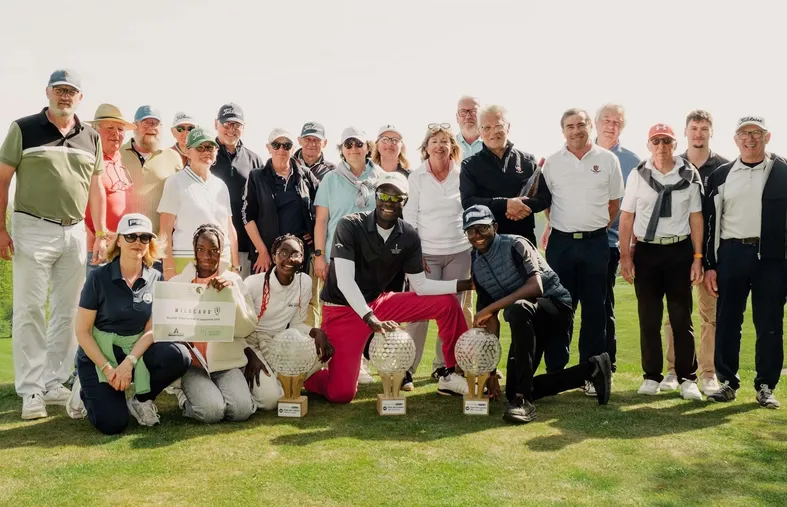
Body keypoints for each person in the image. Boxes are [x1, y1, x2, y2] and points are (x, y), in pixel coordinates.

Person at [306, 172, 473, 403]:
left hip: (379, 303)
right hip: (343, 310)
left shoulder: (409, 235)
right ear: (376, 195)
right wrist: (370, 318)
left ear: (405, 202)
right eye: (384, 195)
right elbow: (345, 282)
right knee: (341, 394)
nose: (389, 202)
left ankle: (452, 373)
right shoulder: (350, 225)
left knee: (447, 303)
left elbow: (421, 286)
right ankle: (305, 375)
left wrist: (467, 283)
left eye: (397, 198)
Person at [0, 69, 109, 420]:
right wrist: (1, 230)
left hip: (74, 231)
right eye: (60, 90)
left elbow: (96, 189)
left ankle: (53, 381)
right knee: (30, 308)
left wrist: (102, 231)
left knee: (68, 311)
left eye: (72, 91)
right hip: (31, 226)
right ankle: (31, 390)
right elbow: (2, 180)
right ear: (48, 91)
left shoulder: (89, 136)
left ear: (80, 97)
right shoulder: (23, 128)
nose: (65, 96)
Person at [464, 205, 612, 423]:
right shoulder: (477, 264)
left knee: (518, 308)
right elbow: (490, 321)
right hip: (525, 320)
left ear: (494, 227)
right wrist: (490, 371)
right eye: (470, 231)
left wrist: (492, 307)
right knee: (513, 388)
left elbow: (536, 287)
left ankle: (523, 403)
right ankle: (592, 369)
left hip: (555, 307)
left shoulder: (515, 244)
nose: (477, 236)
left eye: (482, 228)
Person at [526, 108, 624, 395]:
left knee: (595, 310)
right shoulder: (553, 163)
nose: (576, 130)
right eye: (570, 126)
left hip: (596, 243)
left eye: (581, 124)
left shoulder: (608, 160)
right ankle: (557, 372)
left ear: (590, 126)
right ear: (563, 131)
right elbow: (547, 201)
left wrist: (594, 227)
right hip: (562, 243)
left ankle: (591, 373)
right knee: (559, 308)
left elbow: (614, 202)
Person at [72, 213, 190, 433]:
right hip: (99, 354)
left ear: (150, 243)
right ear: (118, 240)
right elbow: (82, 332)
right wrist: (108, 370)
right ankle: (85, 389)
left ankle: (141, 399)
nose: (138, 242)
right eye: (131, 236)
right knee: (112, 424)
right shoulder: (98, 278)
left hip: (135, 352)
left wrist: (129, 363)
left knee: (177, 355)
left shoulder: (157, 278)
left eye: (144, 237)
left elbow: (151, 329)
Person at [704, 116, 787, 409]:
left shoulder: (782, 170)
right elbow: (710, 223)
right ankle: (727, 382)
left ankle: (766, 386)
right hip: (732, 254)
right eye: (744, 134)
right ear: (735, 139)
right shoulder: (721, 175)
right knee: (728, 321)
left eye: (756, 133)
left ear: (767, 136)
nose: (750, 139)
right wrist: (709, 265)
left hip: (772, 259)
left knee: (769, 323)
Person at [618, 123, 704, 400]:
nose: (661, 147)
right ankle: (652, 376)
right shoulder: (638, 175)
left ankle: (688, 378)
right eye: (656, 141)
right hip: (647, 252)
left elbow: (696, 218)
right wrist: (625, 256)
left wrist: (697, 257)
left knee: (681, 318)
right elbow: (627, 217)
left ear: (675, 144)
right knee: (649, 318)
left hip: (678, 251)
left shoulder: (689, 174)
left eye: (666, 141)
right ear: (649, 145)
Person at [661, 110, 729, 395]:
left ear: (711, 132)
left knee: (709, 315)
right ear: (685, 132)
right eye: (693, 128)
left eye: (704, 128)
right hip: (677, 250)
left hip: (711, 254)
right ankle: (673, 371)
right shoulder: (671, 165)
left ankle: (708, 373)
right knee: (674, 314)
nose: (698, 133)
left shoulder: (725, 167)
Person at [403, 124, 473, 388]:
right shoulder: (417, 177)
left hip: (458, 251)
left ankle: (443, 368)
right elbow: (409, 219)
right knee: (419, 312)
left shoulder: (461, 174)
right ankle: (407, 370)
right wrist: (413, 253)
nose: (440, 145)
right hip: (425, 255)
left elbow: (468, 210)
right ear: (426, 146)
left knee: (452, 310)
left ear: (452, 147)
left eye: (446, 141)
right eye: (435, 140)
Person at [170, 224, 259, 423]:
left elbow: (247, 328)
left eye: (213, 250)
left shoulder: (234, 281)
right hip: (193, 365)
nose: (207, 256)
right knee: (212, 413)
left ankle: (217, 396)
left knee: (242, 411)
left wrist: (231, 295)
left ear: (221, 251)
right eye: (201, 249)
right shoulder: (178, 283)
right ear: (194, 249)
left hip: (226, 364)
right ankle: (185, 397)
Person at [313, 127, 381, 382]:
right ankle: (332, 362)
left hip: (370, 258)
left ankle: (360, 363)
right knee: (337, 313)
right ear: (341, 149)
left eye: (358, 143)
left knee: (365, 310)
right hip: (337, 255)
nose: (353, 148)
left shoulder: (379, 176)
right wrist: (320, 256)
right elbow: (321, 221)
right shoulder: (330, 179)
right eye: (348, 144)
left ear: (367, 147)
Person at [243, 234, 334, 409]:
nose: (289, 259)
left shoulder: (304, 282)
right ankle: (257, 380)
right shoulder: (253, 284)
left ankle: (280, 381)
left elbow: (296, 325)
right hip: (251, 345)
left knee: (326, 351)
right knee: (270, 401)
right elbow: (237, 330)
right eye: (283, 253)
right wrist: (249, 355)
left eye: (296, 254)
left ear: (303, 258)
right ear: (274, 255)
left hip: (279, 341)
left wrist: (316, 332)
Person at [591, 104, 641, 374]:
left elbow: (637, 209)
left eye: (617, 122)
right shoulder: (581, 153)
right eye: (607, 120)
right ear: (595, 123)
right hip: (579, 240)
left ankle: (606, 362)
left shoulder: (633, 161)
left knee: (603, 302)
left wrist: (628, 249)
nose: (611, 125)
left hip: (611, 243)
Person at [158, 127, 240, 278]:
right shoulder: (175, 182)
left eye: (209, 147)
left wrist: (236, 266)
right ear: (188, 152)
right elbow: (165, 229)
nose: (205, 152)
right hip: (186, 260)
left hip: (222, 261)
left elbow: (229, 228)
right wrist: (168, 267)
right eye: (199, 148)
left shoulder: (221, 185)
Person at [459, 104, 539, 246]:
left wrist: (520, 206)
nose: (493, 132)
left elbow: (543, 198)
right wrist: (505, 204)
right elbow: (468, 202)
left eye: (498, 126)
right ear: (480, 131)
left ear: (508, 126)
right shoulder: (469, 165)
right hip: (487, 243)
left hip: (524, 241)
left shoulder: (528, 161)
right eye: (487, 128)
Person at [211, 103, 264, 278]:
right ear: (216, 124)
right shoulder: (205, 155)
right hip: (211, 245)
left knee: (244, 301)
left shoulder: (254, 160)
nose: (231, 130)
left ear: (243, 127)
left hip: (245, 247)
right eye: (227, 124)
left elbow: (262, 204)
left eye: (236, 125)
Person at [84, 104, 135, 275]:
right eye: (109, 128)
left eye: (120, 129)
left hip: (121, 249)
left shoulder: (123, 160)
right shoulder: (88, 160)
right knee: (90, 300)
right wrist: (93, 236)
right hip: (97, 249)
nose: (116, 133)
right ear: (95, 130)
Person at [122, 105, 183, 235]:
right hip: (123, 239)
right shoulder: (118, 153)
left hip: (158, 241)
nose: (151, 127)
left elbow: (181, 199)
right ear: (135, 126)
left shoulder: (173, 157)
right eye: (146, 123)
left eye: (155, 123)